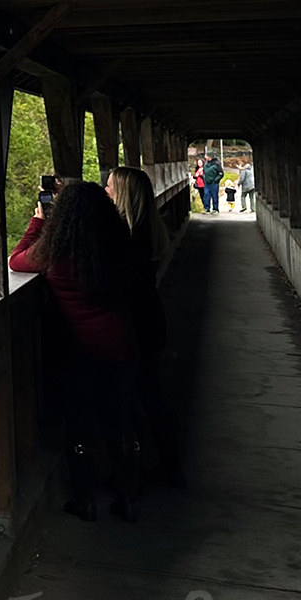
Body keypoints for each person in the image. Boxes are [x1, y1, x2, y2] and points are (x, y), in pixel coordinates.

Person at [11, 181, 143, 521]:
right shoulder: (119, 245)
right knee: (119, 422)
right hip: (122, 345)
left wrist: (38, 223)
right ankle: (128, 496)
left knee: (80, 424)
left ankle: (84, 499)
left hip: (80, 350)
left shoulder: (57, 251)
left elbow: (17, 260)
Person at [108, 166, 185, 487]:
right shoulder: (144, 231)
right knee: (150, 394)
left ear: (124, 193)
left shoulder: (126, 239)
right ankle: (168, 464)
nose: (106, 191)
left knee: (134, 398)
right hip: (150, 322)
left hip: (135, 328)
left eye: (110, 186)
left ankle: (138, 472)